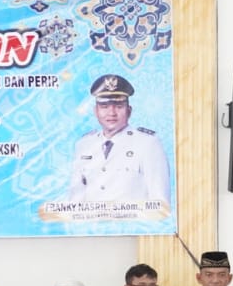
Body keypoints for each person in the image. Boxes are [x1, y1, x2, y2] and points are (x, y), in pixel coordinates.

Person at [67, 74, 170, 205]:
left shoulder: (148, 143)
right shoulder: (84, 144)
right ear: (96, 111)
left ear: (129, 111)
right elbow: (75, 201)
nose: (111, 113)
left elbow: (160, 203)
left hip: (133, 219)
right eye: (104, 106)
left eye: (119, 106)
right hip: (92, 219)